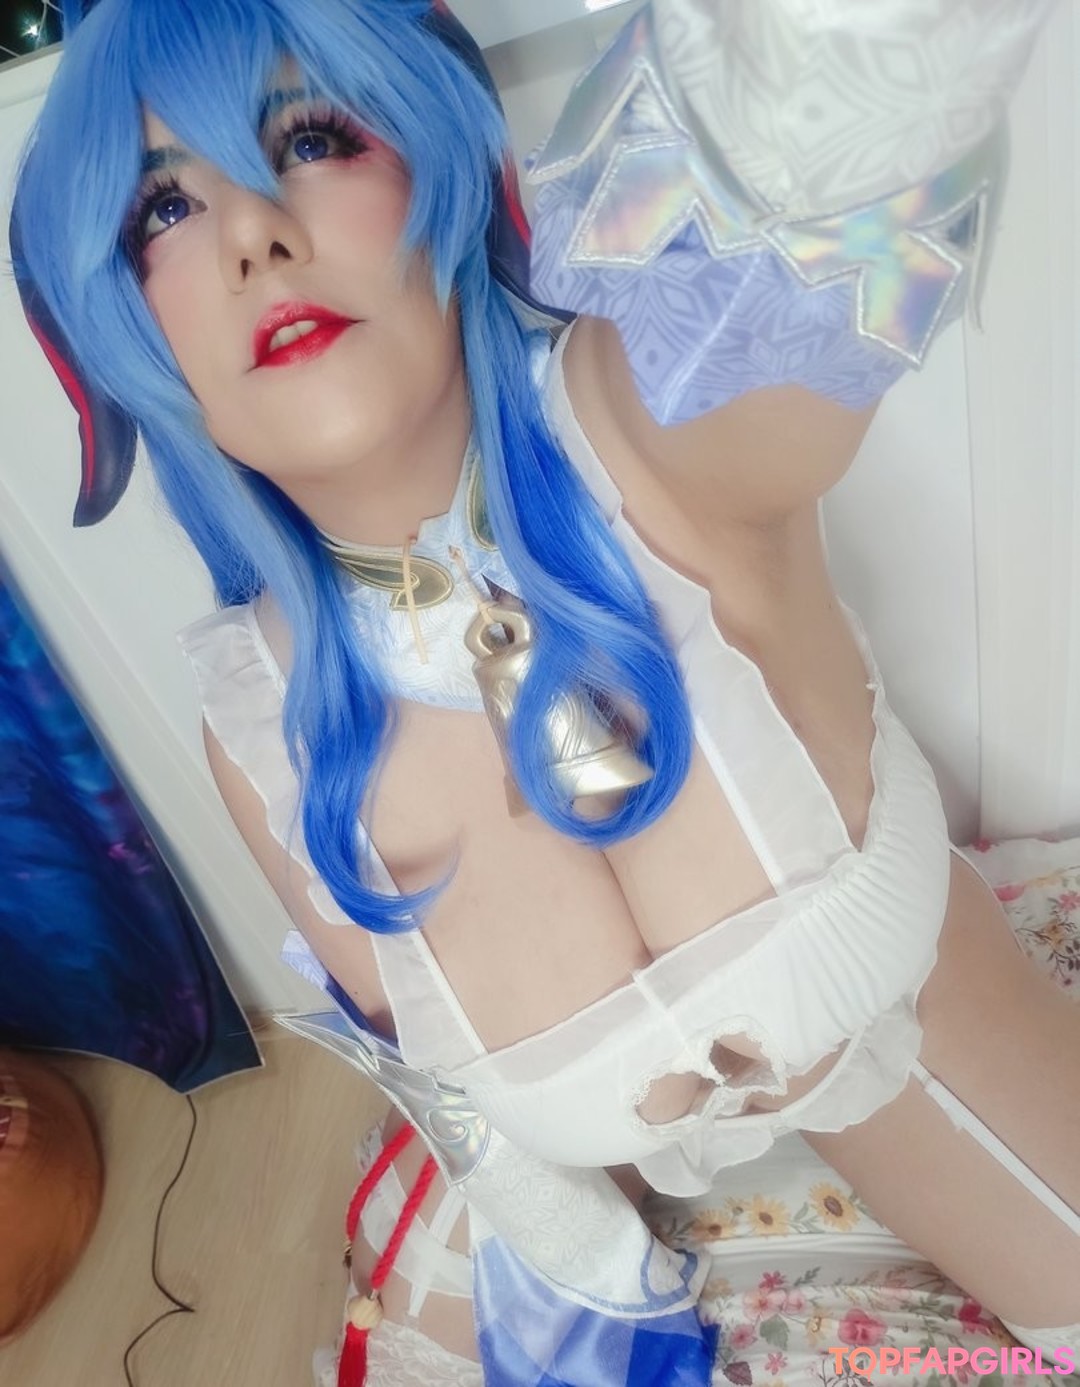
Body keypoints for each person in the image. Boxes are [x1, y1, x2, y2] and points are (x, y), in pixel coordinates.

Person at [11, 1, 1079, 1383]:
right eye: (164, 207)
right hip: (603, 1200)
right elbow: (455, 1098)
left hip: (946, 1069)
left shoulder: (650, 438)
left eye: (312, 139)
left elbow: (819, 128)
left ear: (440, 168)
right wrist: (594, 1295)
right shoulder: (260, 728)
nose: (252, 235)